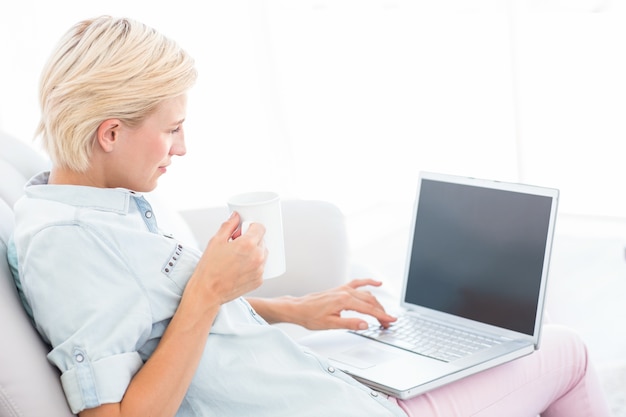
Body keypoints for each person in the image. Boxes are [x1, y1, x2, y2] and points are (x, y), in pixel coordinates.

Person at [8, 15, 611, 417]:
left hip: (323, 384)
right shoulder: (66, 244)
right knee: (567, 349)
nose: (183, 148)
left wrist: (296, 309)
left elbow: (153, 320)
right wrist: (208, 291)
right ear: (110, 132)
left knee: (517, 333)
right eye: (171, 130)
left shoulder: (98, 200)